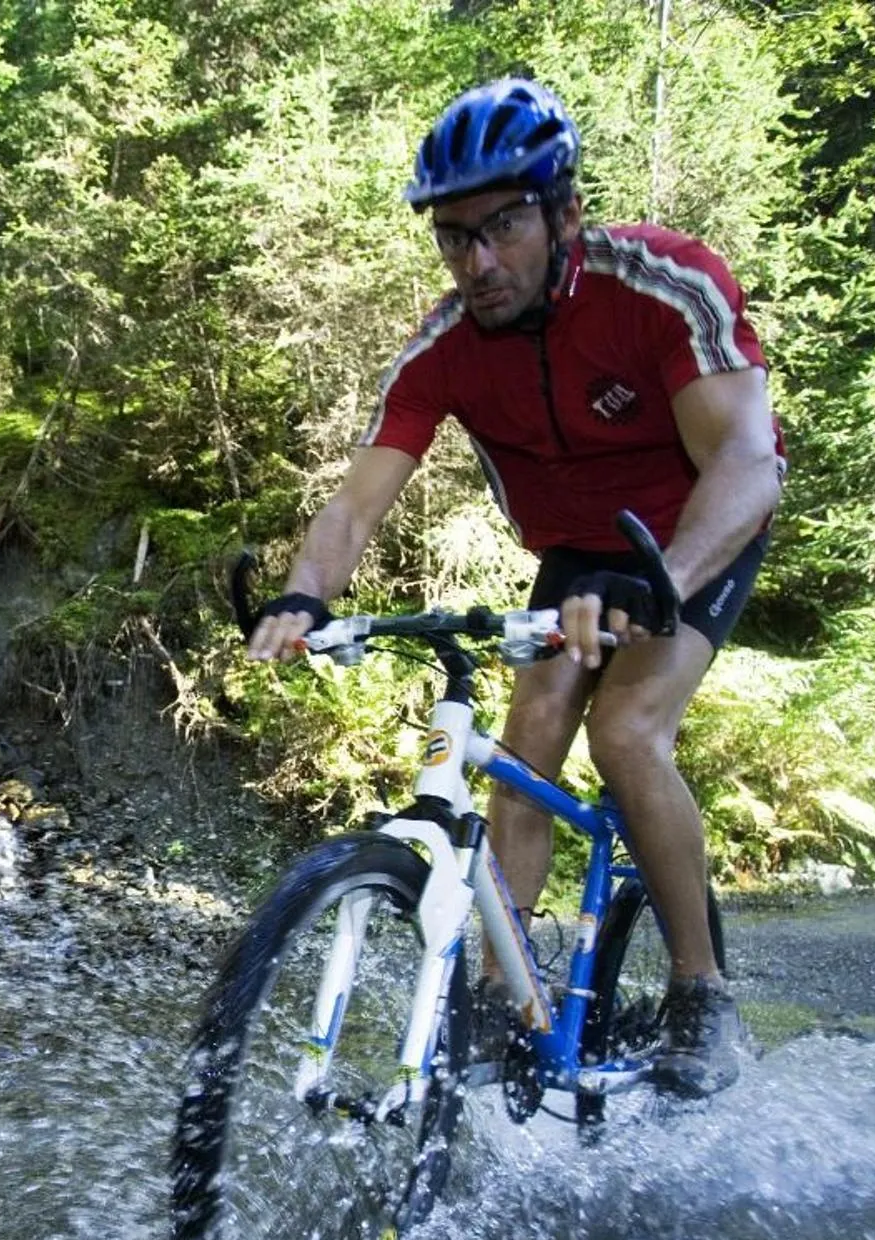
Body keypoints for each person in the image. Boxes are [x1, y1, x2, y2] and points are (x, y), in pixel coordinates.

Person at [245, 76, 783, 1097]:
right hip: (581, 549)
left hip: (696, 527)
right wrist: (304, 594)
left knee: (625, 730)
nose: (478, 262)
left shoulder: (660, 283)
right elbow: (357, 503)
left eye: (503, 227)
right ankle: (501, 1001)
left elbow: (749, 464)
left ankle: (701, 991)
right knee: (526, 739)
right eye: (455, 238)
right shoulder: (445, 348)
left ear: (565, 211)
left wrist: (662, 579)